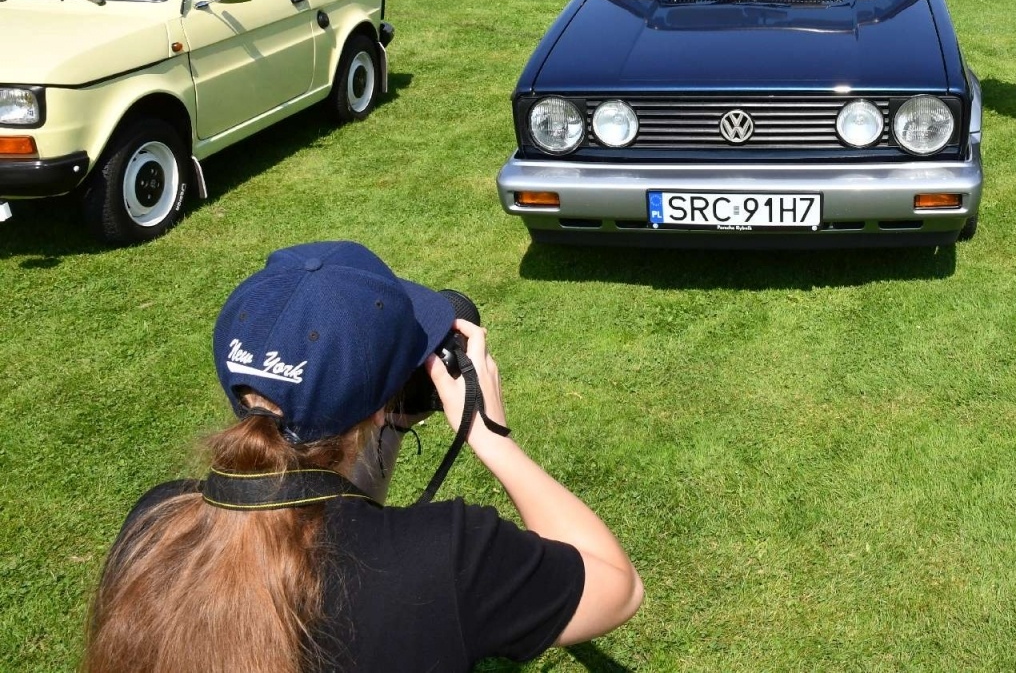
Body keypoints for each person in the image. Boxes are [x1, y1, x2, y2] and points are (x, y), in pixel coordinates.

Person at [83, 241, 644, 673]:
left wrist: (388, 421)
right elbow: (617, 588)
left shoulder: (155, 523)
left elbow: (336, 515)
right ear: (380, 404)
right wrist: (491, 437)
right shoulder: (444, 558)